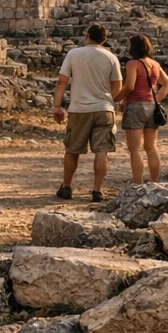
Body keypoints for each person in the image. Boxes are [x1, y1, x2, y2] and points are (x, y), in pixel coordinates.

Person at [52, 23, 124, 202]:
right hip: (104, 109)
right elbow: (117, 90)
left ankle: (67, 186)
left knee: (72, 149)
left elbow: (62, 82)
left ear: (87, 36)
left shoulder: (73, 54)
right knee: (102, 151)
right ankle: (97, 190)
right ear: (104, 39)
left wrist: (57, 106)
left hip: (79, 109)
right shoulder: (111, 58)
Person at [120, 33, 168, 184]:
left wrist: (117, 97)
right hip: (151, 105)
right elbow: (167, 84)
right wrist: (158, 99)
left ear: (134, 47)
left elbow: (130, 86)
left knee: (135, 149)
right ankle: (154, 181)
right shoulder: (154, 64)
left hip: (135, 106)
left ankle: (138, 182)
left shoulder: (133, 64)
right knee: (151, 147)